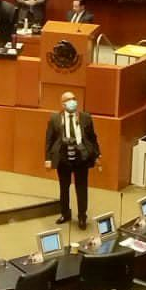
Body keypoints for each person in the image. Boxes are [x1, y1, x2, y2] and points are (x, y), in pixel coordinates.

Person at [45, 90, 100, 229]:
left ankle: (82, 216)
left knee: (81, 188)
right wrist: (48, 158)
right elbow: (49, 140)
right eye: (69, 99)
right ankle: (65, 213)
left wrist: (98, 154)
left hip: (81, 158)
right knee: (64, 188)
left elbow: (93, 137)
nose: (73, 101)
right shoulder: (55, 119)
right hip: (63, 158)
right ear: (63, 104)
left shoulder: (86, 117)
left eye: (74, 98)